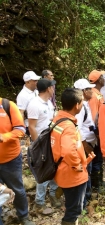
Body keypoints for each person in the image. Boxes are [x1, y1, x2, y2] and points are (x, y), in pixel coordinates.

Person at [50, 88, 89, 225]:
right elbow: (67, 149)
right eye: (82, 103)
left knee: (71, 206)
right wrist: (77, 164)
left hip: (62, 171)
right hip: (72, 175)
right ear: (77, 105)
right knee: (73, 209)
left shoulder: (58, 119)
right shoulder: (68, 126)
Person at [0, 97, 36, 225]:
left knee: (17, 189)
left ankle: (24, 216)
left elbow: (21, 129)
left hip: (10, 159)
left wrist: (4, 136)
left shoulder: (8, 106)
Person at [27, 79, 61, 213]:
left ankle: (53, 194)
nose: (54, 89)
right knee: (43, 171)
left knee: (54, 167)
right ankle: (39, 203)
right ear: (48, 89)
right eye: (53, 87)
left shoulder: (48, 103)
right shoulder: (35, 104)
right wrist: (38, 146)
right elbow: (31, 126)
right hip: (42, 143)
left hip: (52, 141)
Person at [74, 79, 97, 207]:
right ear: (83, 91)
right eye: (89, 89)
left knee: (88, 170)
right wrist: (85, 145)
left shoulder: (86, 104)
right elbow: (77, 127)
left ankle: (86, 197)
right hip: (84, 144)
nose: (91, 91)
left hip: (89, 141)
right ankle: (82, 201)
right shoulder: (80, 107)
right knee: (85, 171)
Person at [88, 70, 105, 189]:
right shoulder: (94, 96)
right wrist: (99, 134)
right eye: (102, 77)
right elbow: (94, 117)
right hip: (95, 134)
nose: (104, 79)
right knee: (97, 158)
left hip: (96, 132)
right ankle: (96, 184)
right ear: (99, 80)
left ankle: (97, 182)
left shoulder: (96, 93)